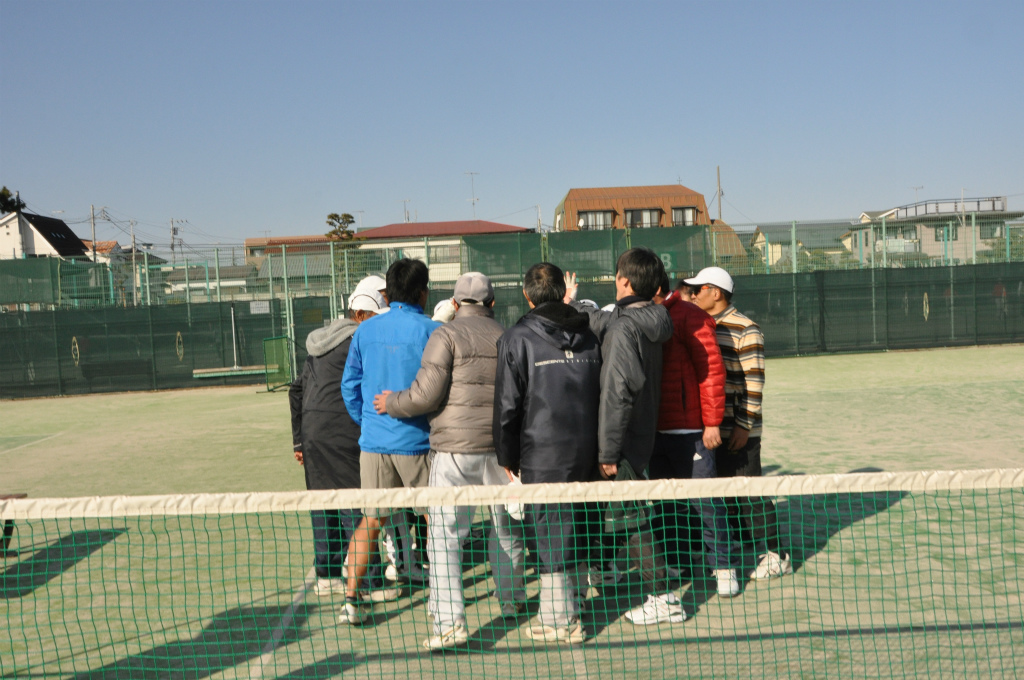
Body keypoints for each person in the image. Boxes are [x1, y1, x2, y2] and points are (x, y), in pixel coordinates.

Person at [373, 272, 525, 651]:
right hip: (501, 452)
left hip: (452, 452)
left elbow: (424, 395)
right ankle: (512, 599)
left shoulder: (446, 335)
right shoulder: (508, 336)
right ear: (492, 303)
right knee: (505, 528)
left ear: (455, 304)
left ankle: (449, 624)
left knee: (443, 540)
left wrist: (391, 402)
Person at [493, 262, 602, 645]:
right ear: (561, 292)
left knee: (551, 532)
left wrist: (507, 456)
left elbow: (507, 406)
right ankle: (575, 603)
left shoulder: (516, 338)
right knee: (580, 525)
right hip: (588, 450)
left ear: (527, 295)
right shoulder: (590, 336)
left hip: (542, 455)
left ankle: (560, 620)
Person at [624, 270, 739, 626]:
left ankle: (724, 566)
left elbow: (711, 370)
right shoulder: (643, 316)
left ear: (660, 290)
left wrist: (712, 422)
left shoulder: (691, 316)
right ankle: (675, 561)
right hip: (654, 431)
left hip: (691, 430)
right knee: (664, 503)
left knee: (706, 501)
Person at [339, 258, 441, 624]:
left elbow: (349, 387)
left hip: (374, 446)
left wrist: (369, 423)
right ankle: (444, 598)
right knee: (435, 519)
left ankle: (351, 599)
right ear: (423, 293)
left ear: (389, 292)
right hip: (419, 444)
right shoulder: (433, 331)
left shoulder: (364, 331)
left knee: (371, 521)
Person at [565, 249, 674, 589]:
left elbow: (617, 392)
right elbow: (601, 319)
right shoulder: (648, 316)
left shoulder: (624, 328)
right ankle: (606, 569)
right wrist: (571, 303)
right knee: (620, 512)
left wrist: (608, 452)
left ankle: (663, 598)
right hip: (640, 433)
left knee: (631, 518)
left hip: (624, 439)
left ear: (623, 281)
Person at [288, 281, 397, 601]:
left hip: (312, 433)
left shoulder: (320, 343)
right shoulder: (359, 341)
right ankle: (370, 581)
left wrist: (299, 441)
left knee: (323, 502)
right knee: (357, 503)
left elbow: (296, 390)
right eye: (375, 315)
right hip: (344, 431)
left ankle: (327, 575)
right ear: (359, 314)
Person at [685, 266, 792, 581]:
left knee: (750, 492)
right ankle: (737, 543)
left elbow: (754, 383)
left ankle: (777, 555)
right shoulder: (702, 325)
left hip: (740, 431)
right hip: (713, 429)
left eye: (699, 289)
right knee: (723, 491)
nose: (693, 294)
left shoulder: (747, 329)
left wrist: (744, 427)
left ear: (716, 293)